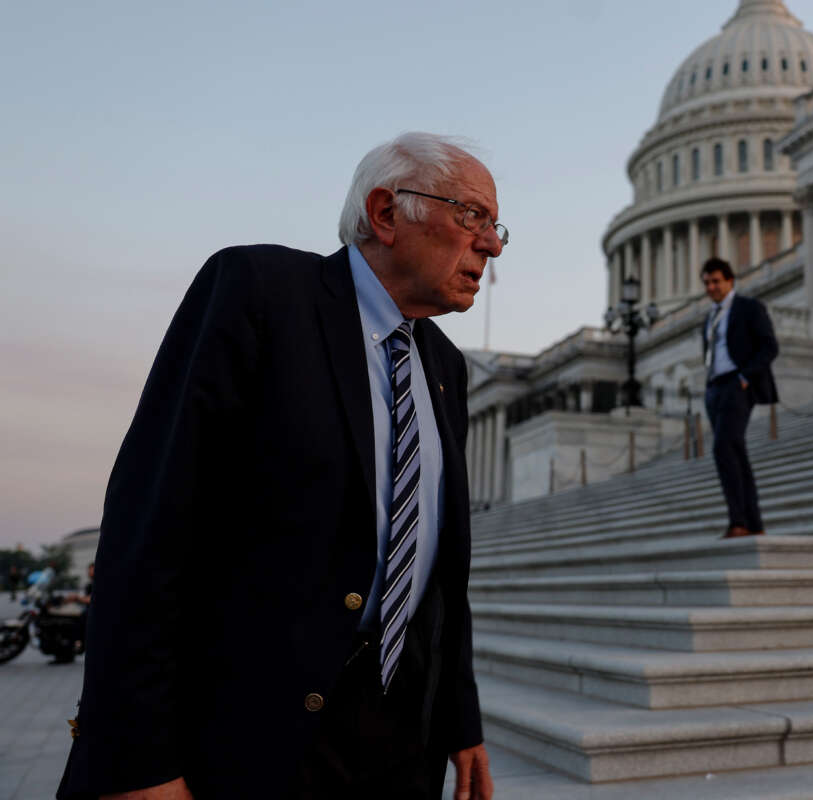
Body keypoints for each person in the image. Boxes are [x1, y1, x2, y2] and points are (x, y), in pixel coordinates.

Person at [58, 133, 504, 800]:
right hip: (250, 736)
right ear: (385, 213)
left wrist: (460, 720)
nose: (492, 246)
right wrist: (136, 760)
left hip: (397, 741)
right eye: (471, 216)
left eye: (496, 227)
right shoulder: (260, 294)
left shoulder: (445, 367)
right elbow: (150, 528)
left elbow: (441, 576)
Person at [699, 257, 779, 539]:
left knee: (723, 448)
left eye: (716, 281)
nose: (711, 287)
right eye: (707, 283)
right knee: (736, 454)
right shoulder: (709, 317)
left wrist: (744, 379)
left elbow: (770, 347)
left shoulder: (748, 308)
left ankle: (738, 521)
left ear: (730, 280)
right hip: (715, 388)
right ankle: (753, 523)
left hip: (736, 384)